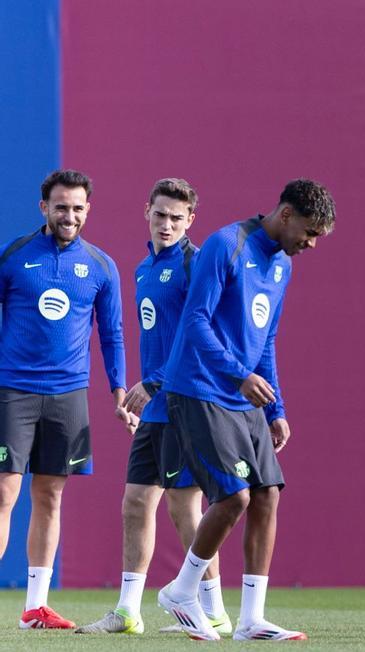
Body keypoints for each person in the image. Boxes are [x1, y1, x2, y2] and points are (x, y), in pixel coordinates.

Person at [155, 179, 335, 641]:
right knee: (233, 497)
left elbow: (265, 339)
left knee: (268, 494)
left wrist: (277, 407)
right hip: (199, 388)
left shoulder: (283, 267)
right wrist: (238, 374)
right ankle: (181, 591)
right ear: (286, 214)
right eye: (309, 233)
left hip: (246, 396)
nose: (310, 244)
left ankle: (251, 619)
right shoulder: (225, 245)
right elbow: (195, 321)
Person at [76, 179, 231, 635]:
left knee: (186, 509)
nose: (167, 224)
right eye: (160, 215)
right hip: (155, 409)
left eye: (176, 218)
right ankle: (127, 611)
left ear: (190, 222)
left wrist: (157, 380)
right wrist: (135, 398)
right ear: (147, 211)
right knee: (135, 503)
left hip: (185, 401)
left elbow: (204, 333)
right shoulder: (145, 268)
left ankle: (216, 608)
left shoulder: (195, 263)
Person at [0, 169, 131, 629]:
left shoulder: (101, 266)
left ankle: (35, 606)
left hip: (67, 396)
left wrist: (119, 392)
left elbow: (112, 335)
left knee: (50, 496)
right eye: (61, 207)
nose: (69, 215)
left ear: (88, 210)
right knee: (3, 491)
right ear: (44, 208)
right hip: (12, 391)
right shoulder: (14, 256)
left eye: (77, 208)